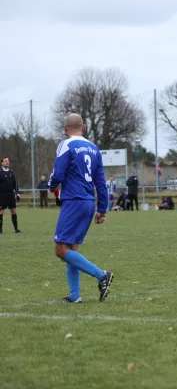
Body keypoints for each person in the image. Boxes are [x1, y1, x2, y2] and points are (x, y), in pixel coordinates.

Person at [47, 113, 113, 303]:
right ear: (83, 127)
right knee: (71, 249)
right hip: (88, 203)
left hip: (74, 201)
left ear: (65, 129)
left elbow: (58, 173)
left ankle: (102, 275)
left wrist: (51, 186)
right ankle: (75, 296)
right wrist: (102, 209)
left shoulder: (66, 145)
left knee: (60, 250)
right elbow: (101, 183)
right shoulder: (94, 148)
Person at [0, 157, 21, 233]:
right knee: (1, 212)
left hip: (11, 194)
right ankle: (0, 229)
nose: (7, 162)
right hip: (2, 194)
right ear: (2, 163)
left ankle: (16, 229)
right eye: (5, 161)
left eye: (8, 161)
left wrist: (17, 193)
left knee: (13, 211)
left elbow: (15, 183)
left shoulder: (12, 172)